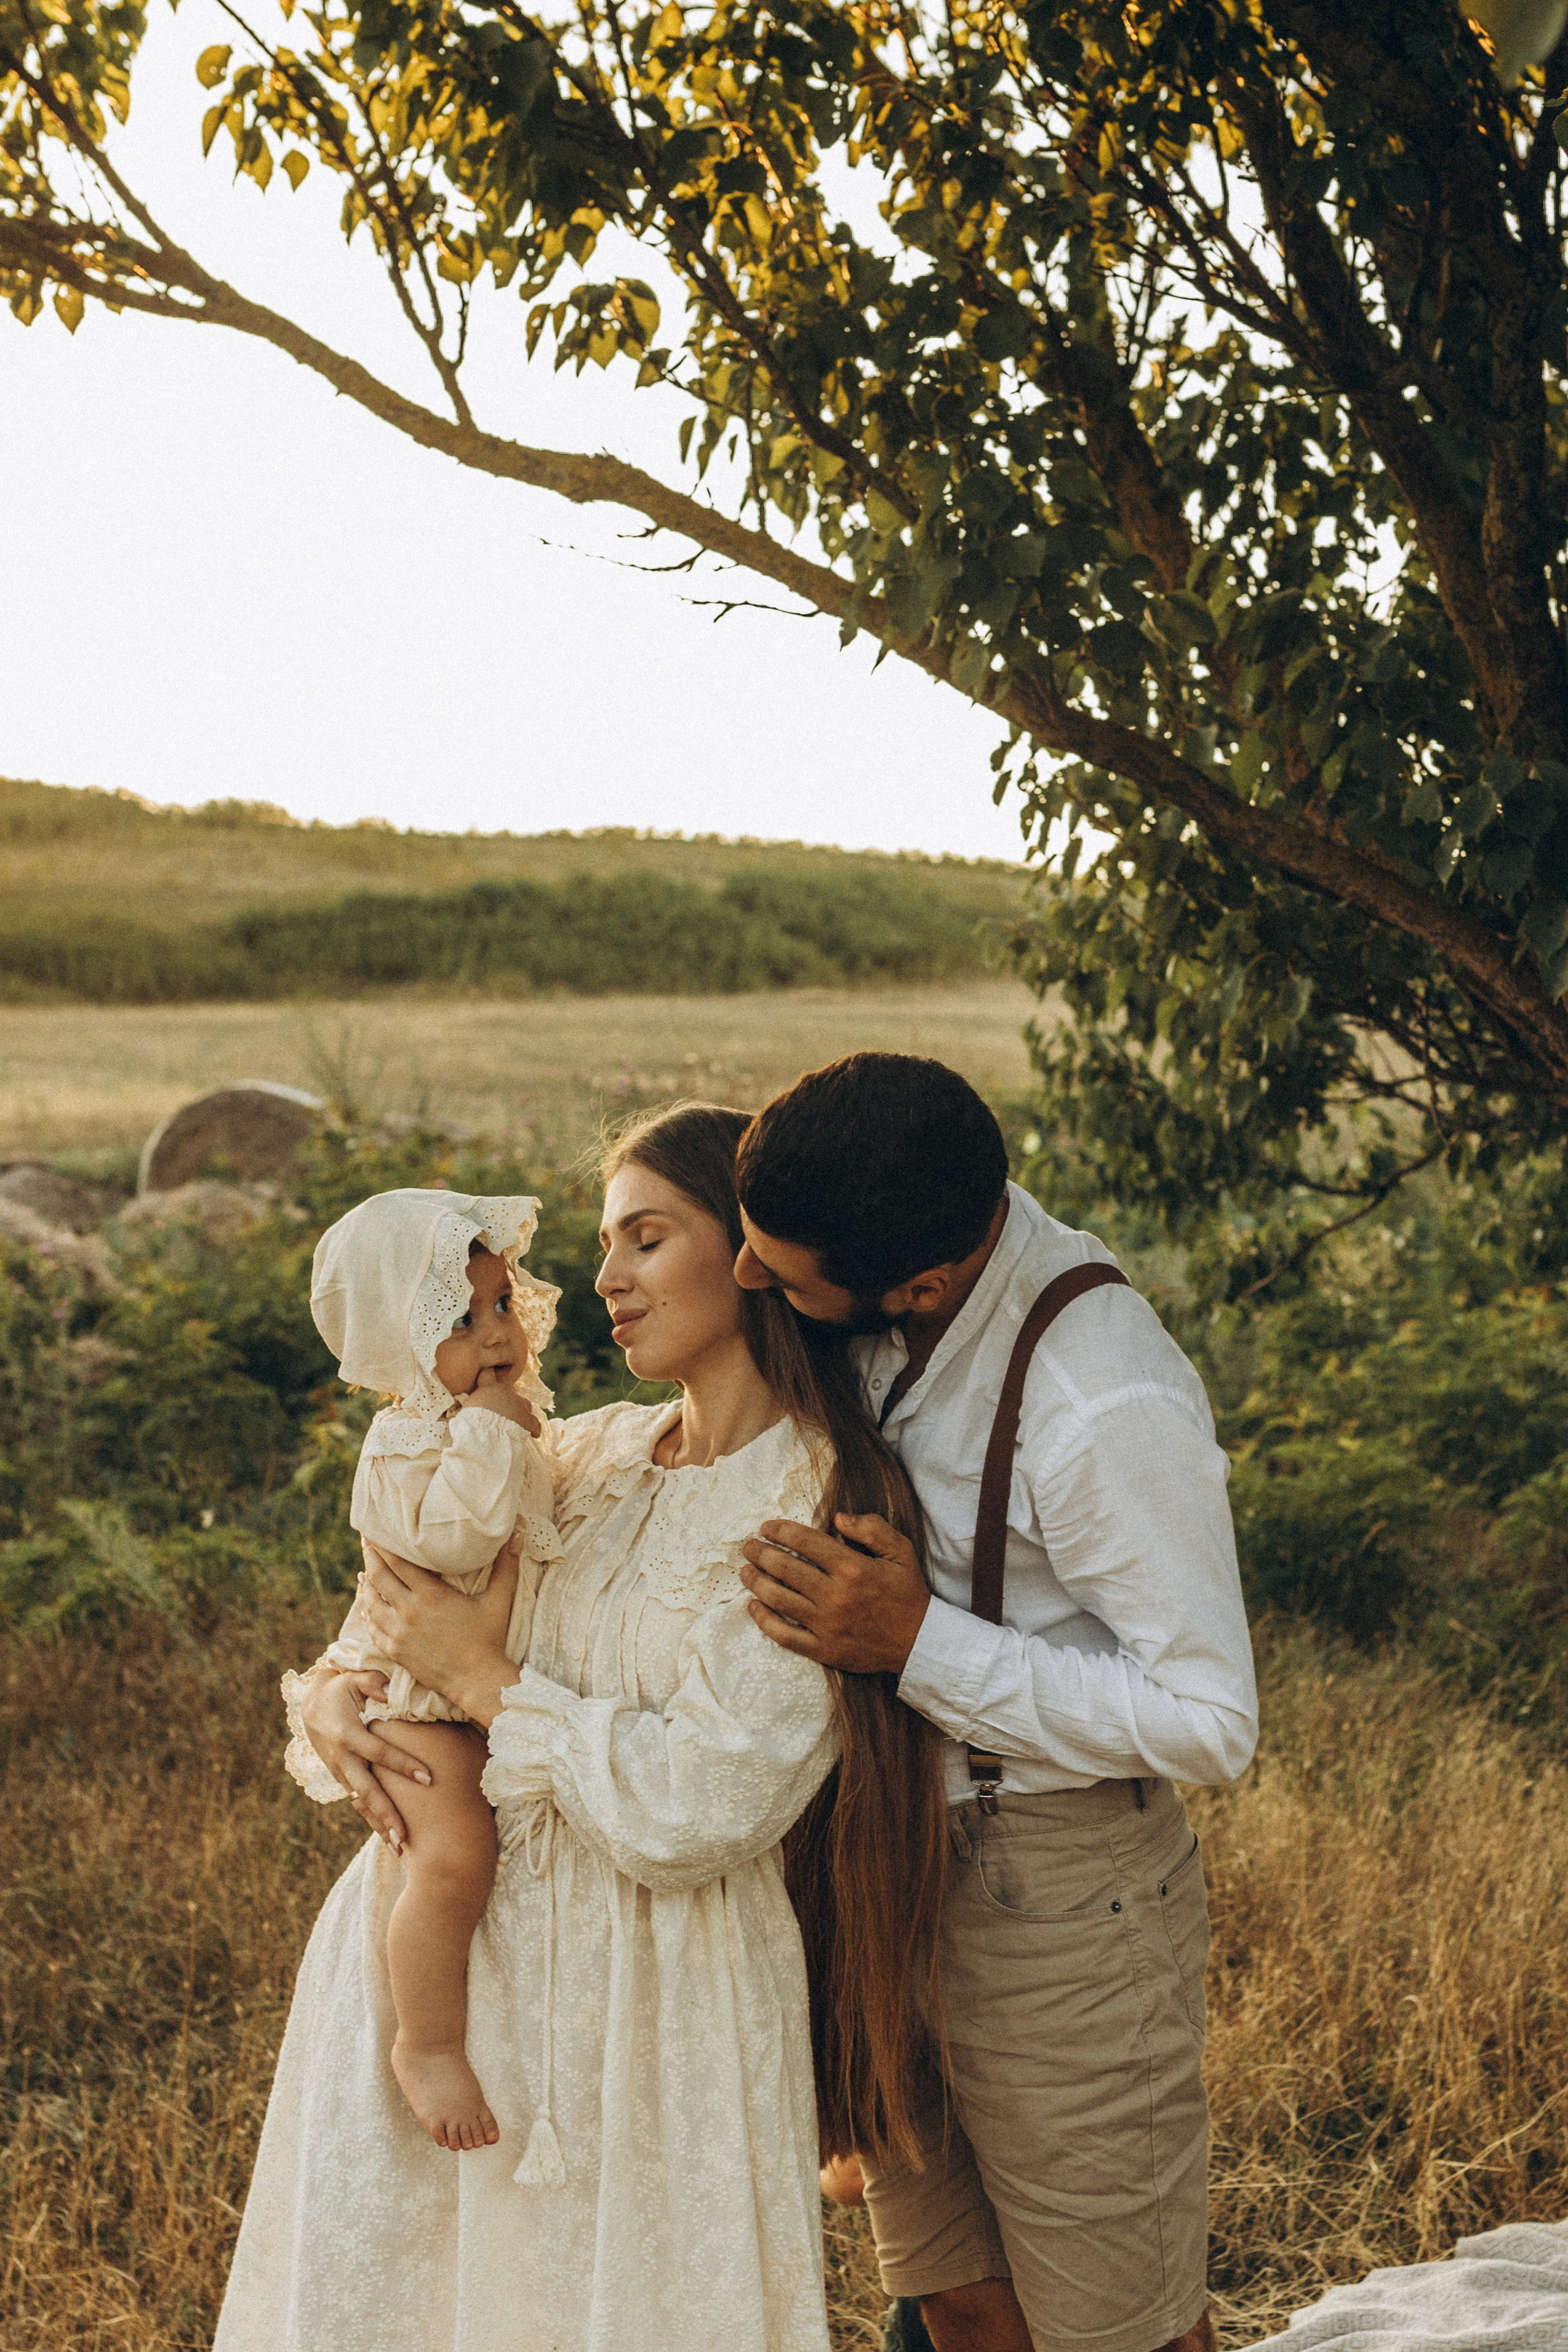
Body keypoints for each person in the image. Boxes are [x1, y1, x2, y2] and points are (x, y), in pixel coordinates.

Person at [214, 1104, 946, 2352]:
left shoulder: (812, 1499)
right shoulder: (581, 1451)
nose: (602, 1281)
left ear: (752, 1255)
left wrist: (488, 1684)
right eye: (604, 1245)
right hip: (440, 1970)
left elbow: (706, 1805)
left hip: (652, 2007)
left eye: (645, 1238)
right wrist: (340, 1692)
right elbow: (409, 1600)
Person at [732, 1054, 1259, 2352]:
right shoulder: (876, 1261)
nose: (752, 1285)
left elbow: (1208, 1718)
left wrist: (918, 1641)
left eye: (783, 1277)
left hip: (1058, 1903)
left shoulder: (1100, 1400)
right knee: (957, 2300)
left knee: (1116, 2330)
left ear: (917, 1285)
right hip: (883, 1874)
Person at [293, 1187, 564, 2154]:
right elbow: (458, 1541)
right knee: (453, 1861)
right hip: (419, 1704)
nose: (495, 1334)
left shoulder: (500, 1419)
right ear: (402, 1344)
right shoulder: (405, 1441)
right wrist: (493, 1433)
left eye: (500, 1305)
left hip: (466, 1684)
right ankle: (428, 2042)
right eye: (459, 1318)